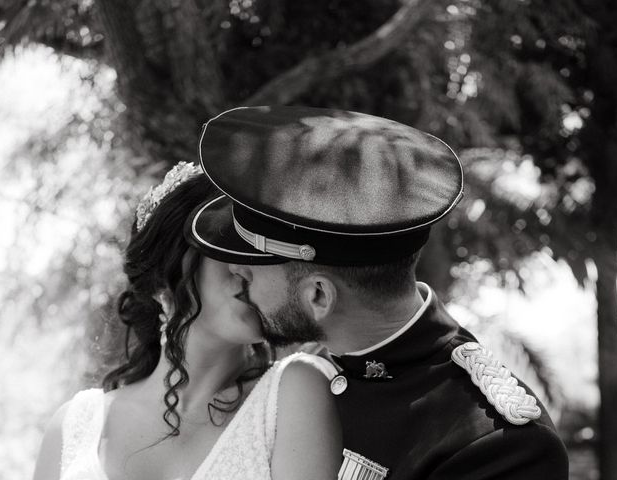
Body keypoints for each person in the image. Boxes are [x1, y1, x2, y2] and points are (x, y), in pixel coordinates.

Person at [186, 106, 570, 480]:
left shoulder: (500, 446)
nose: (237, 275)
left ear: (319, 296)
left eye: (252, 272)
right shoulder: (295, 372)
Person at [32, 163, 342, 480]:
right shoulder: (72, 427)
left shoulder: (292, 392)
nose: (247, 269)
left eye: (258, 251)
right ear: (164, 273)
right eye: (224, 244)